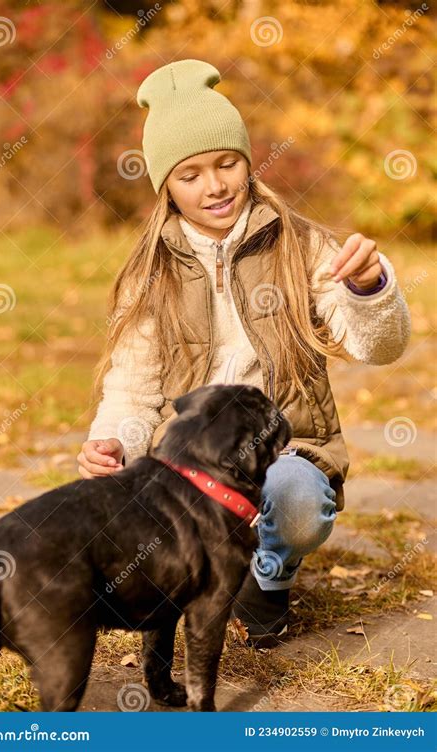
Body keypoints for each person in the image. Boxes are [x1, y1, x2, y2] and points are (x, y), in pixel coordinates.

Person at [77, 59, 411, 647]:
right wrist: (116, 441)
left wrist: (368, 290)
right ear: (165, 187)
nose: (215, 186)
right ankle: (199, 571)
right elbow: (133, 389)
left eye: (227, 163)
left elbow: (378, 346)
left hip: (286, 451)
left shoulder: (300, 245)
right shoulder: (149, 274)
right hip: (189, 461)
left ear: (248, 162)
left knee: (297, 500)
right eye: (190, 174)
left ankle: (269, 575)